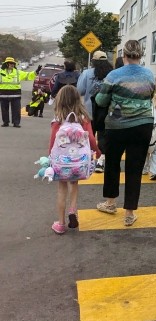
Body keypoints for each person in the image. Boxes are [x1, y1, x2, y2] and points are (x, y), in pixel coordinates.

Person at [95, 40, 155, 227]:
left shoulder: (114, 75)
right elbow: (151, 96)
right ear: (141, 55)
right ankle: (129, 213)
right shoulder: (150, 75)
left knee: (112, 163)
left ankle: (111, 203)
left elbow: (102, 100)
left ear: (124, 55)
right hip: (143, 126)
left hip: (117, 126)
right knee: (134, 168)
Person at [49, 85, 100, 234]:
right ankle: (73, 211)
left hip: (62, 161)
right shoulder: (83, 117)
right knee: (74, 185)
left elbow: (53, 140)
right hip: (78, 162)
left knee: (61, 188)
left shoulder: (58, 118)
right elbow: (90, 137)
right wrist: (97, 150)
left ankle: (60, 223)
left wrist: (50, 157)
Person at [76, 50, 114, 173]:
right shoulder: (112, 74)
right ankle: (101, 162)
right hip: (106, 111)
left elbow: (80, 90)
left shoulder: (87, 73)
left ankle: (88, 161)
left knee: (87, 137)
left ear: (93, 61)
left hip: (89, 112)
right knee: (103, 137)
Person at [0, 56, 42, 127]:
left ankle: (16, 123)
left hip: (15, 95)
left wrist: (36, 72)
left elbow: (28, 75)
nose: (12, 65)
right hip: (3, 94)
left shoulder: (17, 72)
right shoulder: (1, 73)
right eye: (10, 63)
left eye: (13, 63)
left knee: (16, 110)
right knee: (4, 110)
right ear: (6, 64)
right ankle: (5, 122)